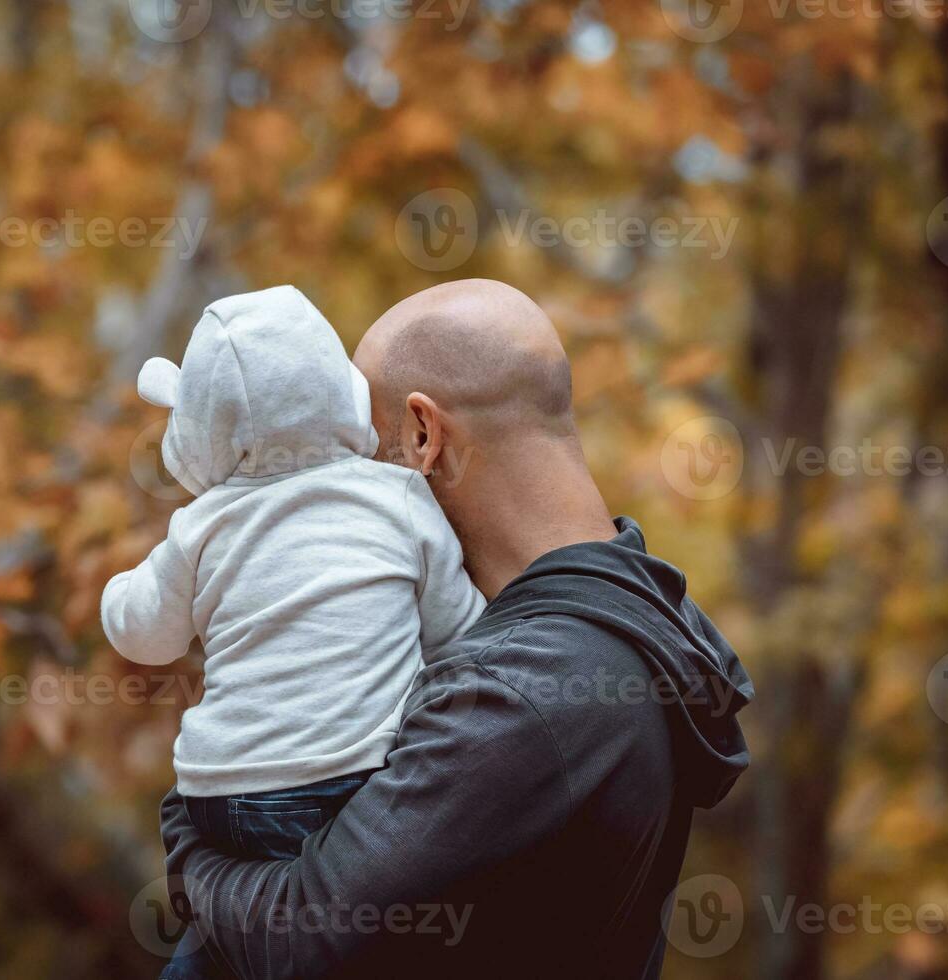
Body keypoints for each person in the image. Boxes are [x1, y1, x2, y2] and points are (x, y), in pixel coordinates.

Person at [157, 279, 754, 977]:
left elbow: (305, 934)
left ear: (422, 436)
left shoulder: (527, 685)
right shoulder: (629, 624)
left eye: (361, 452)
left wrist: (188, 835)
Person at [99, 285, 487, 977]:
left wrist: (114, 596)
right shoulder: (397, 496)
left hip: (224, 796)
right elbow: (460, 630)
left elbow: (145, 636)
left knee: (222, 945)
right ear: (342, 390)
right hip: (359, 784)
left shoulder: (203, 525)